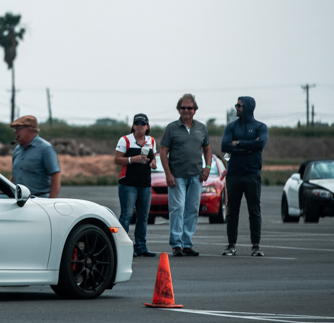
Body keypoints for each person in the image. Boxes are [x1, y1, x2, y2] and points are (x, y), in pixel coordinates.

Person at [160, 94, 211, 257]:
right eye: (183, 108)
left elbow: (208, 149)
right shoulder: (171, 128)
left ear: (195, 110)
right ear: (178, 109)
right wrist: (168, 173)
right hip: (177, 177)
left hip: (197, 176)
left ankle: (187, 242)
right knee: (177, 208)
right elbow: (163, 152)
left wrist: (207, 167)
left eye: (189, 108)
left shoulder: (201, 128)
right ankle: (176, 244)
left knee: (192, 209)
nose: (186, 110)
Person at [220, 96, 268, 257]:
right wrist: (248, 148)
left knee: (254, 211)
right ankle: (231, 245)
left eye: (239, 105)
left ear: (248, 107)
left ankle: (256, 246)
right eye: (236, 105)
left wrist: (238, 143)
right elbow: (225, 145)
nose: (237, 108)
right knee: (232, 211)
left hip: (252, 174)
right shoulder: (231, 126)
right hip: (234, 175)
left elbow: (260, 144)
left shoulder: (260, 127)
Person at [114, 114, 157, 257]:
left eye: (142, 123)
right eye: (137, 123)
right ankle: (122, 246)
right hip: (128, 183)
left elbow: (153, 158)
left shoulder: (151, 140)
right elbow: (117, 159)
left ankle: (141, 246)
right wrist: (133, 159)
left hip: (145, 183)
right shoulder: (125, 140)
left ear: (147, 126)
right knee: (126, 215)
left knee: (143, 217)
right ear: (133, 126)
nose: (139, 126)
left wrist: (153, 163)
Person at [10, 115, 61, 198]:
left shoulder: (45, 148)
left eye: (18, 129)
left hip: (39, 200)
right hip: (18, 200)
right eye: (15, 129)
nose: (15, 132)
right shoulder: (17, 150)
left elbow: (55, 175)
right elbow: (14, 175)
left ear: (29, 129)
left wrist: (51, 201)